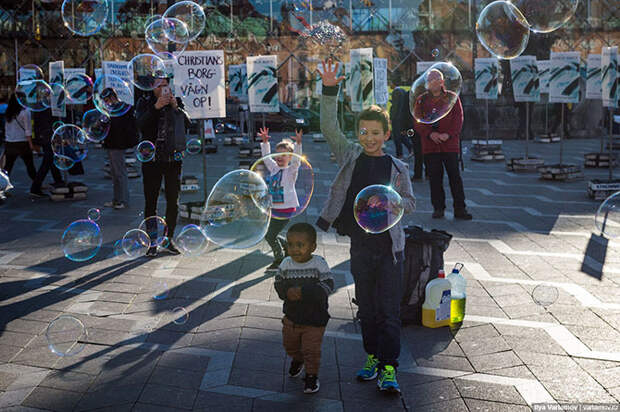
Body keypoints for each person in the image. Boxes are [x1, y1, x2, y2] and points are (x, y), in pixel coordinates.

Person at [316, 58, 416, 393]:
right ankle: (372, 356)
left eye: (375, 133)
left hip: (389, 250)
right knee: (368, 310)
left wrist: (389, 202)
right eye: (363, 132)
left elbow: (411, 204)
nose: (369, 138)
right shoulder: (349, 155)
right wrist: (329, 90)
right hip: (360, 247)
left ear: (387, 134)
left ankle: (390, 367)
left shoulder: (398, 168)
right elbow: (329, 127)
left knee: (389, 311)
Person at [274, 223, 334, 394]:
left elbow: (328, 285)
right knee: (290, 346)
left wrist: (304, 292)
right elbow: (278, 282)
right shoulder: (286, 263)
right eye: (290, 244)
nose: (295, 249)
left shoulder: (319, 264)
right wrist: (286, 291)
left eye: (300, 245)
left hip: (315, 319)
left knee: (311, 350)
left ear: (312, 247)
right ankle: (297, 359)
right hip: (292, 318)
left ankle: (311, 377)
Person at [136, 77, 190, 257]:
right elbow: (140, 125)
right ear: (152, 87)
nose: (163, 88)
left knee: (173, 201)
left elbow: (189, 125)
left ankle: (169, 239)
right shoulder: (145, 102)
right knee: (151, 201)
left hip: (173, 159)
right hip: (151, 160)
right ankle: (152, 241)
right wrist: (155, 108)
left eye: (165, 84)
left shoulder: (177, 101)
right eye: (159, 85)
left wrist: (176, 108)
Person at [413, 69, 472, 220]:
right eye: (431, 80)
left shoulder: (452, 97)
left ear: (442, 82)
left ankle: (460, 209)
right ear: (427, 83)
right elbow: (417, 121)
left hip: (449, 145)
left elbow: (459, 119)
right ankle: (438, 208)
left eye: (437, 79)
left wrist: (448, 134)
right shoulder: (421, 100)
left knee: (455, 177)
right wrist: (430, 134)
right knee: (435, 178)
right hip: (430, 146)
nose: (434, 82)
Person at [257, 126, 303, 270]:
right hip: (274, 208)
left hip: (286, 209)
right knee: (271, 233)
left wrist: (298, 145)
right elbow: (266, 159)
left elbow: (297, 161)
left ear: (290, 157)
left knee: (269, 235)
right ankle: (287, 247)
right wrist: (265, 142)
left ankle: (279, 259)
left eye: (284, 155)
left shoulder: (291, 171)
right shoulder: (274, 168)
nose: (279, 157)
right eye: (278, 155)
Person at [101, 88, 138, 209]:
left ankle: (123, 200)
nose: (105, 102)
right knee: (114, 173)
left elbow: (126, 128)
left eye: (106, 100)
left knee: (120, 173)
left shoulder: (123, 109)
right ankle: (116, 199)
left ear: (112, 97)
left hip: (118, 144)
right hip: (111, 143)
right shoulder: (109, 110)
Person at [3, 93, 36, 190]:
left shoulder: (8, 111)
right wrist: (31, 145)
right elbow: (28, 130)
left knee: (7, 168)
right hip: (22, 143)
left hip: (10, 143)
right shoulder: (25, 112)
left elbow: (6, 128)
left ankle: (3, 188)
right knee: (30, 166)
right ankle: (37, 185)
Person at [30, 108, 65, 197]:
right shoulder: (47, 109)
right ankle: (35, 188)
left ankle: (59, 181)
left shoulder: (41, 108)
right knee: (47, 162)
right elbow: (46, 124)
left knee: (51, 159)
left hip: (45, 137)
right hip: (48, 137)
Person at [389, 87, 414, 161]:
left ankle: (399, 155)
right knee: (400, 136)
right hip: (402, 119)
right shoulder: (402, 91)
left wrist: (391, 117)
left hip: (396, 119)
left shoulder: (396, 91)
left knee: (397, 137)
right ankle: (411, 148)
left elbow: (395, 107)